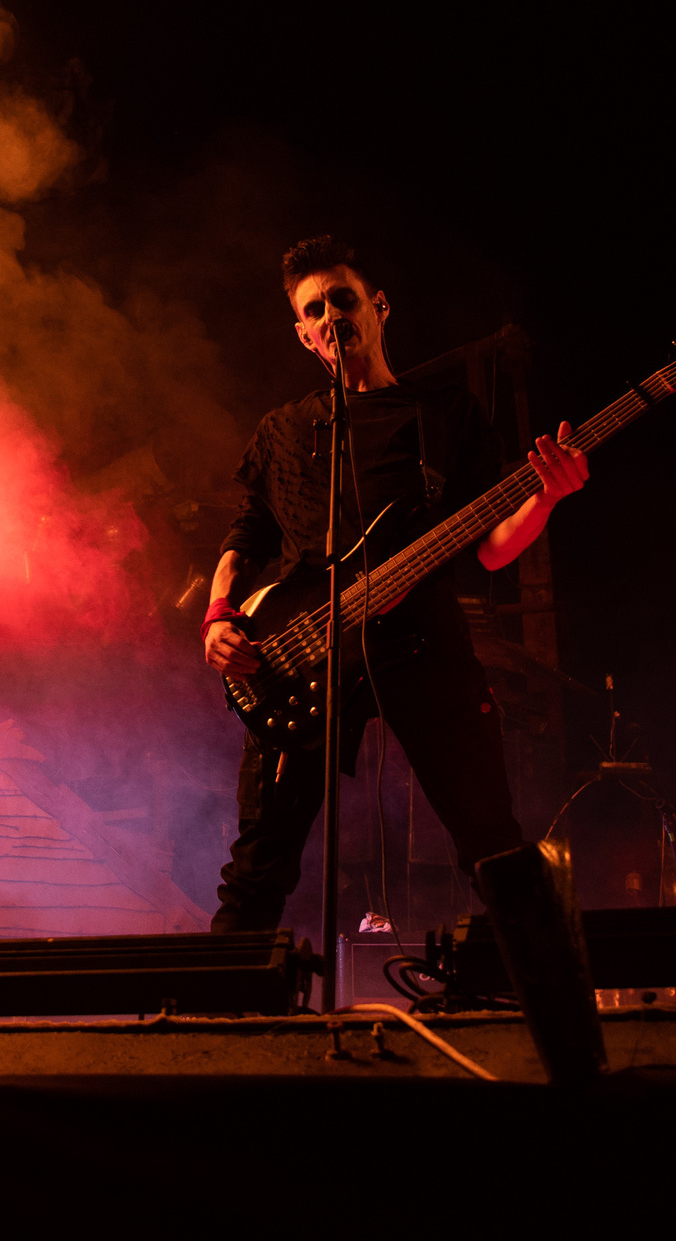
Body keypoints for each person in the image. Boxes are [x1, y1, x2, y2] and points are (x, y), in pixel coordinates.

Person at [203, 236, 588, 932]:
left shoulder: (446, 416)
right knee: (258, 864)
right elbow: (246, 535)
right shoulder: (285, 431)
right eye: (313, 309)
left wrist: (547, 498)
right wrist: (218, 617)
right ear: (302, 334)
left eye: (342, 298)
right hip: (301, 653)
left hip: (425, 645)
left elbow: (493, 551)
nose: (330, 316)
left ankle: (535, 1008)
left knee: (492, 840)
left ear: (378, 305)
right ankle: (215, 1026)